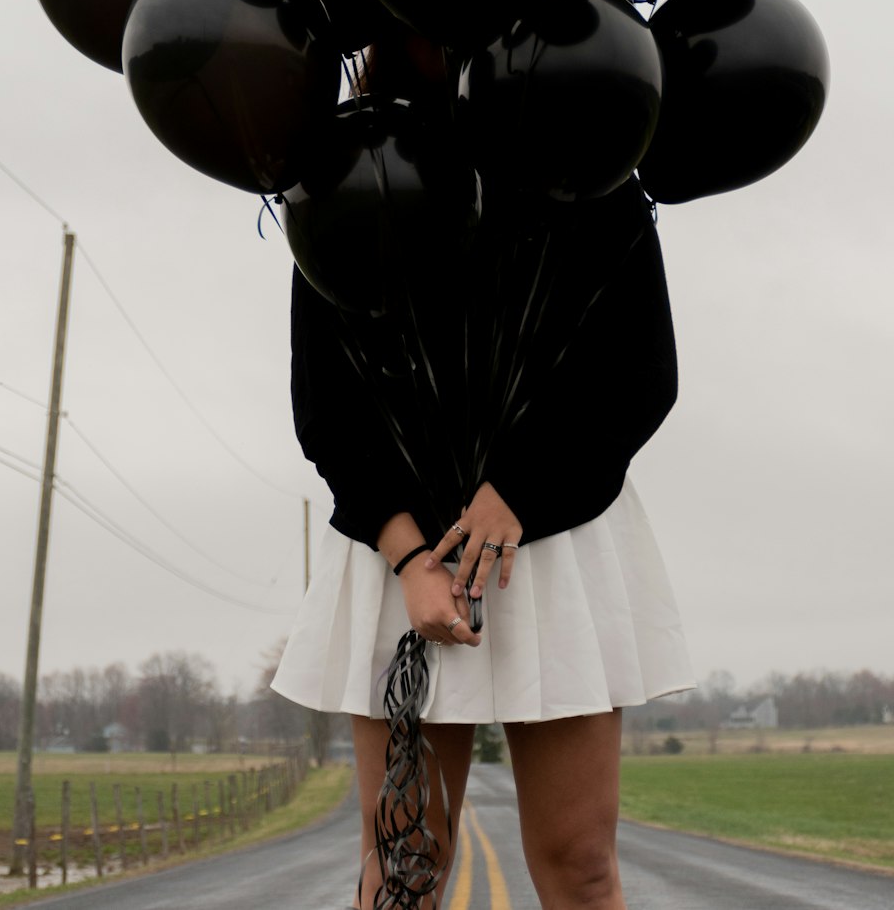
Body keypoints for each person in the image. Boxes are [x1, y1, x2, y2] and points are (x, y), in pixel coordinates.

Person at [272, 149, 694, 910]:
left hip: (558, 534)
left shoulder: (592, 159)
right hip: (399, 550)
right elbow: (325, 400)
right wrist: (404, 555)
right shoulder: (348, 172)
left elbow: (641, 369)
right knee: (403, 865)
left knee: (582, 864)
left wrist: (522, 489)